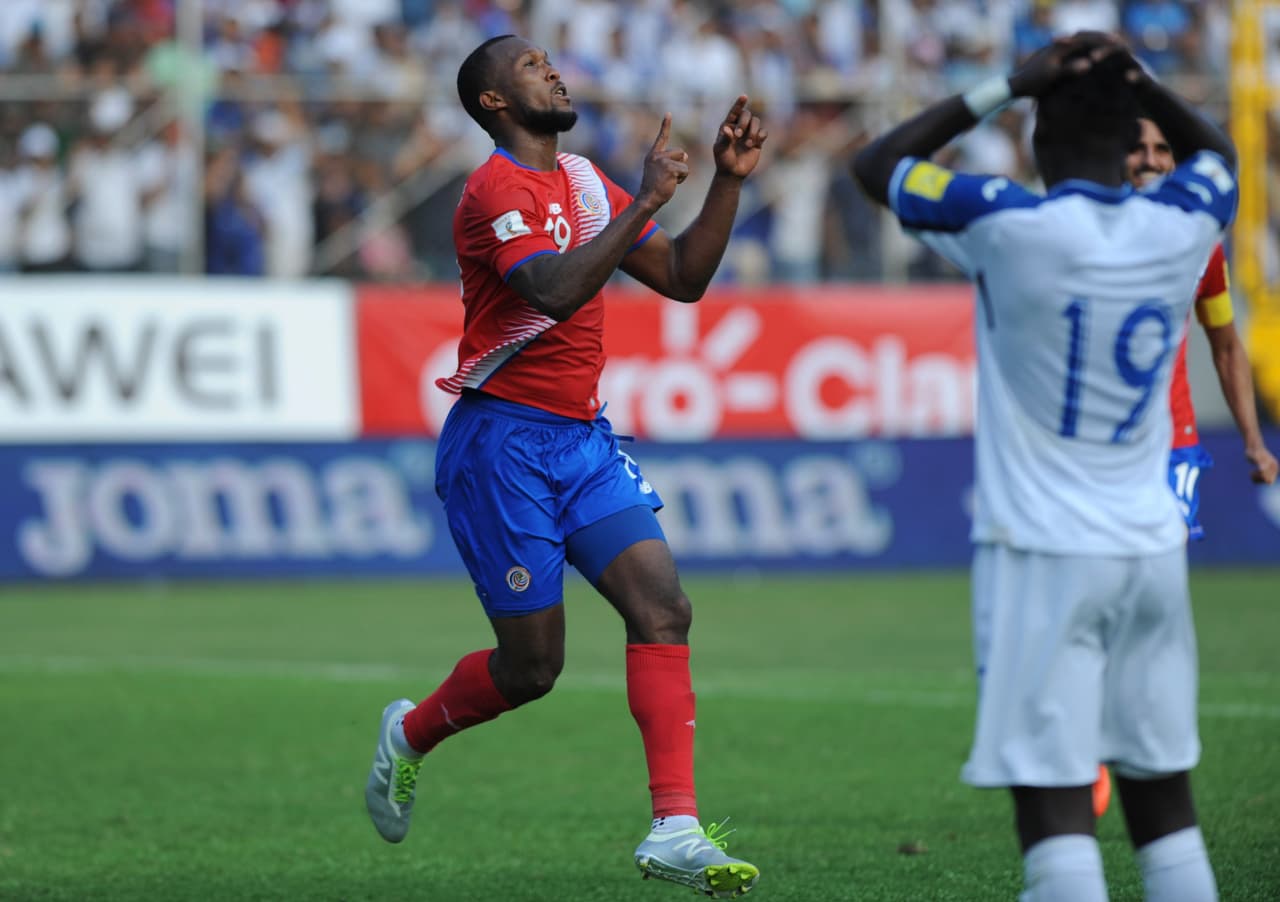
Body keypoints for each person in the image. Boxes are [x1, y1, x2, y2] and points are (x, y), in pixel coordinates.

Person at [363, 34, 767, 899]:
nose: (550, 68)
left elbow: (684, 278)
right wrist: (648, 199)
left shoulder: (585, 183)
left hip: (580, 439)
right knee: (531, 670)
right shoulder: (491, 191)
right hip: (500, 447)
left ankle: (675, 826)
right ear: (493, 104)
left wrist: (723, 182)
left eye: (550, 58)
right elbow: (548, 289)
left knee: (663, 607)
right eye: (529, 66)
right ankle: (410, 735)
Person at [853, 32, 1236, 901]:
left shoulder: (1007, 222)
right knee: (1165, 807)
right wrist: (1143, 79)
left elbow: (879, 163)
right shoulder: (1183, 224)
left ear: (1035, 142)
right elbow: (1219, 153)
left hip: (1044, 552)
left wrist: (1006, 83)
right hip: (1153, 549)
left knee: (1058, 810)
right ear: (1128, 135)